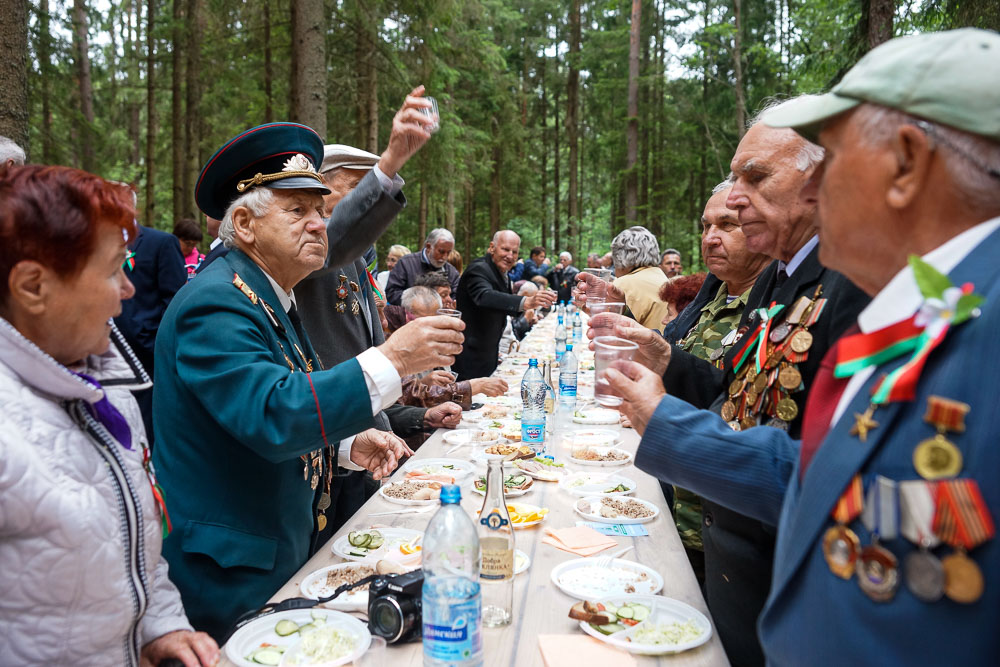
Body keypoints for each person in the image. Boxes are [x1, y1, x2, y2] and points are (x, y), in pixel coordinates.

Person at [608, 28, 1000, 665]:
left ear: (904, 164)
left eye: (835, 161)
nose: (817, 192)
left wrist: (669, 426)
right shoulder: (934, 301)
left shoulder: (971, 320)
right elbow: (833, 476)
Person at [580, 98, 869, 667]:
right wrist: (665, 357)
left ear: (818, 179)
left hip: (789, 578)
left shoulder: (853, 281)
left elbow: (829, 466)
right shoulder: (778, 276)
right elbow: (737, 388)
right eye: (735, 179)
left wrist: (666, 422)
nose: (734, 197)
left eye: (755, 177)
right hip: (732, 555)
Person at [151, 120, 464, 640]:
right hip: (234, 576)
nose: (319, 224)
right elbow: (273, 414)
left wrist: (344, 445)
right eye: (297, 211)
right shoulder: (216, 302)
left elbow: (260, 407)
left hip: (281, 552)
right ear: (246, 225)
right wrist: (393, 361)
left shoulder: (269, 292)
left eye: (320, 209)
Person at [0, 165, 218, 666]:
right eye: (115, 268)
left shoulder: (111, 389)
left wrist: (158, 624)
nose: (128, 289)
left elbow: (133, 540)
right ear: (33, 286)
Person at [114, 205, 188, 447]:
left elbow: (175, 299)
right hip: (109, 349)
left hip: (147, 353)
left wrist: (156, 343)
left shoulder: (161, 242)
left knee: (147, 427)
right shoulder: (98, 241)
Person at [453, 230, 556, 380]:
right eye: (505, 249)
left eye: (514, 252)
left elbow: (502, 304)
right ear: (492, 247)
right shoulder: (478, 268)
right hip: (470, 354)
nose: (510, 256)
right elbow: (485, 296)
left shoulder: (501, 271)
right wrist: (525, 302)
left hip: (490, 352)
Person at [609, 226, 671, 330]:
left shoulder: (624, 284)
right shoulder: (662, 277)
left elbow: (608, 329)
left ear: (619, 257)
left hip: (640, 345)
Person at [385, 228, 459, 305]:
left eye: (448, 252)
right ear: (428, 247)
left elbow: (456, 297)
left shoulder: (452, 272)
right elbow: (391, 292)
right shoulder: (406, 263)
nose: (445, 257)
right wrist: (419, 302)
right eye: (441, 252)